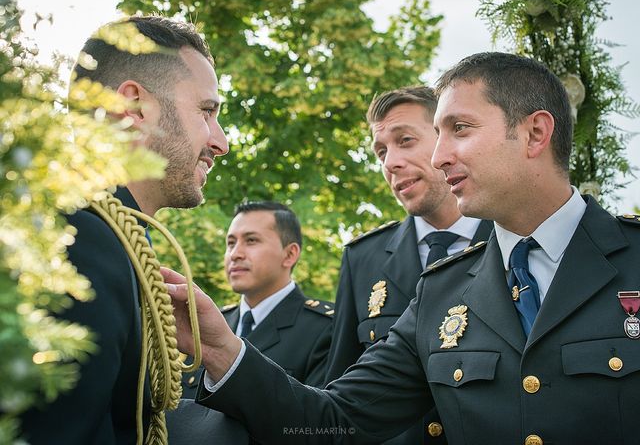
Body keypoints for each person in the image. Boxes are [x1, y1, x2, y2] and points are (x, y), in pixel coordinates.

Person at [167, 51, 640, 445]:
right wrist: (222, 349)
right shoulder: (442, 291)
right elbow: (334, 422)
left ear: (536, 133)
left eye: (461, 129)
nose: (438, 156)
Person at [19, 15, 229, 444]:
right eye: (206, 111)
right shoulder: (78, 241)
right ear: (133, 107)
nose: (221, 142)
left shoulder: (110, 238)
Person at [325, 86, 492, 444]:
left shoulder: (509, 240)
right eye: (381, 151)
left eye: (405, 141)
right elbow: (338, 391)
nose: (389, 163)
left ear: (446, 141)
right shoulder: (362, 258)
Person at [181, 201, 333, 398]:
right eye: (230, 243)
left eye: (251, 240)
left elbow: (319, 419)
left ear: (289, 254)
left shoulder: (326, 328)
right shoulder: (209, 323)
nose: (235, 254)